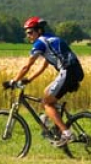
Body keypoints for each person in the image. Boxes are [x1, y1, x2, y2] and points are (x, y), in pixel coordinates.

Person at [5, 16, 85, 147]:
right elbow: (44, 66)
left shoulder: (40, 43)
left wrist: (14, 81)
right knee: (46, 93)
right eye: (27, 33)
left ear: (39, 31)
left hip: (67, 71)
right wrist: (29, 80)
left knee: (47, 103)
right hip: (76, 71)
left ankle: (66, 133)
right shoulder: (51, 39)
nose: (28, 36)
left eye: (30, 32)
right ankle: (53, 123)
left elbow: (27, 66)